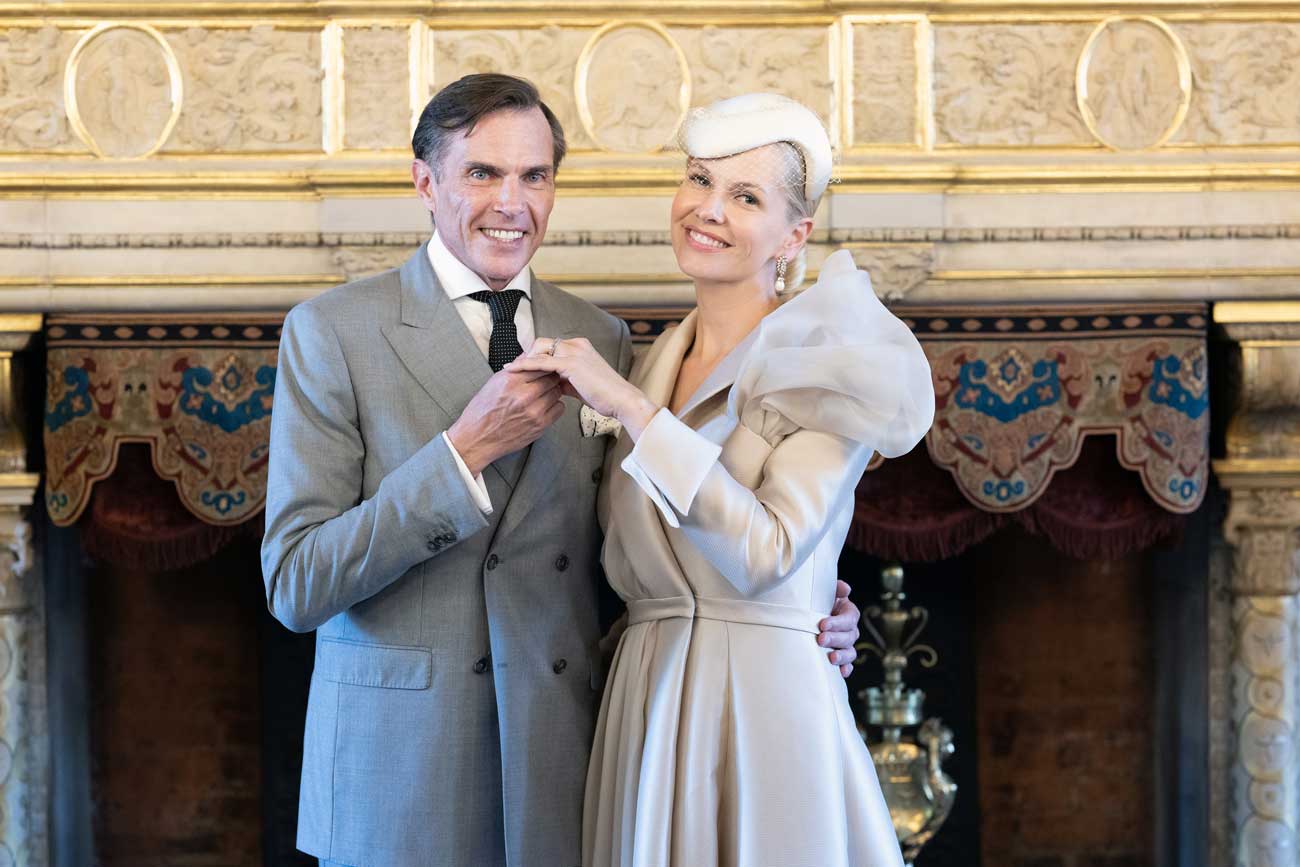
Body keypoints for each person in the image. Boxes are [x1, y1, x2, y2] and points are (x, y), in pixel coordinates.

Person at [261, 74, 864, 867]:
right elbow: (296, 583)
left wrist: (802, 609)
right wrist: (462, 454)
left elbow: (627, 553)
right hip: (398, 780)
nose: (511, 202)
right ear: (425, 183)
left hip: (565, 771)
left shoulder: (604, 342)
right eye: (483, 173)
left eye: (534, 176)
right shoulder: (331, 332)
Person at [509, 93, 935, 866]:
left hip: (764, 710)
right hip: (644, 700)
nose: (708, 209)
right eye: (699, 180)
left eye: (746, 197)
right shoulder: (649, 361)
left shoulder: (829, 360)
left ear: (795, 235)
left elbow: (769, 551)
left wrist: (632, 410)